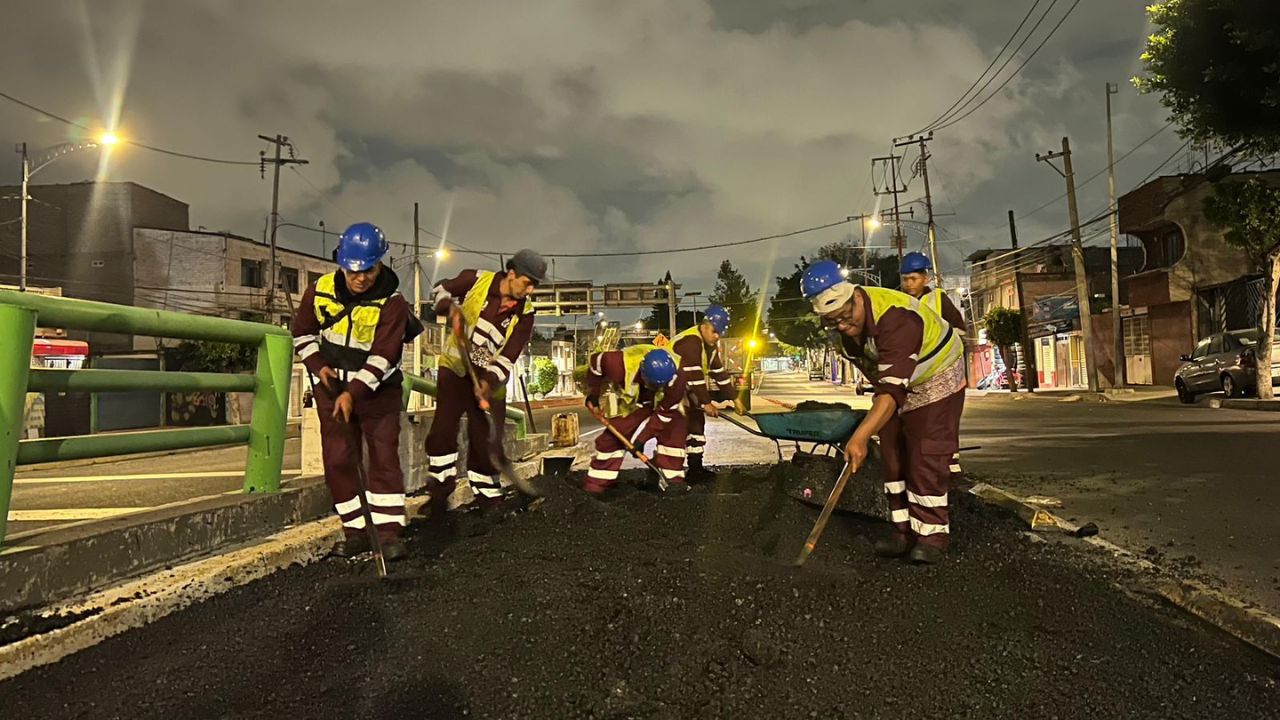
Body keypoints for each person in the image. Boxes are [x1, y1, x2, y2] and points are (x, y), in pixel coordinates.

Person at [802, 260, 965, 564]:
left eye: (845, 316)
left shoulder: (896, 319)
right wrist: (874, 427)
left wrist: (861, 436)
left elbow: (891, 392)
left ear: (857, 297)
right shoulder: (846, 337)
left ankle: (931, 535)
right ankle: (902, 531)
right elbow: (882, 384)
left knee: (923, 452)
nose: (841, 325)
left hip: (938, 375)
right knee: (891, 453)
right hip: (901, 381)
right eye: (832, 321)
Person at [292, 222, 423, 560]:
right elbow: (303, 335)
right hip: (331, 390)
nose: (360, 277)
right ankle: (355, 532)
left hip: (378, 392)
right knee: (338, 459)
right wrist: (319, 366)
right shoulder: (319, 291)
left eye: (368, 270)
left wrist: (354, 392)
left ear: (380, 264)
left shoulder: (393, 304)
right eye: (353, 270)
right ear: (341, 262)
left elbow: (384, 357)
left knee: (382, 460)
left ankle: (389, 534)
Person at [424, 250, 544, 523]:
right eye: (528, 282)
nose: (531, 289)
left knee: (488, 438)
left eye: (535, 284)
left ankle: (489, 497)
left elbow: (508, 354)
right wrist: (449, 308)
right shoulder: (475, 279)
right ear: (511, 274)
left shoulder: (526, 313)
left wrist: (488, 382)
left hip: (489, 379)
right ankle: (439, 496)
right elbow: (440, 289)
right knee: (443, 430)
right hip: (455, 370)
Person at [582, 346, 688, 494]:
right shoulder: (617, 364)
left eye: (660, 385)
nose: (656, 388)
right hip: (637, 402)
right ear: (643, 373)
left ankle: (672, 482)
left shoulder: (677, 379)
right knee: (613, 437)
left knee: (674, 432)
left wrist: (641, 440)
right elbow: (595, 363)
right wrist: (593, 394)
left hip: (666, 404)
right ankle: (595, 486)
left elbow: (664, 415)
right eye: (653, 384)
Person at [899, 251, 967, 481]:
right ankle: (917, 459)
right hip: (915, 374)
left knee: (946, 418)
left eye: (914, 279)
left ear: (925, 278)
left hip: (945, 370)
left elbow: (960, 330)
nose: (909, 284)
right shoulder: (898, 302)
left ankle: (951, 462)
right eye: (905, 279)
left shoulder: (938, 299)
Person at [670, 305, 736, 482]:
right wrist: (706, 403)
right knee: (676, 430)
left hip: (685, 392)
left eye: (719, 333)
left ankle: (695, 469)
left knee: (697, 427)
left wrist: (735, 398)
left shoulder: (710, 346)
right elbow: (695, 376)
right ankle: (670, 472)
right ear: (705, 325)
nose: (717, 336)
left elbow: (719, 373)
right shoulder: (691, 342)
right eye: (714, 331)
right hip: (670, 392)